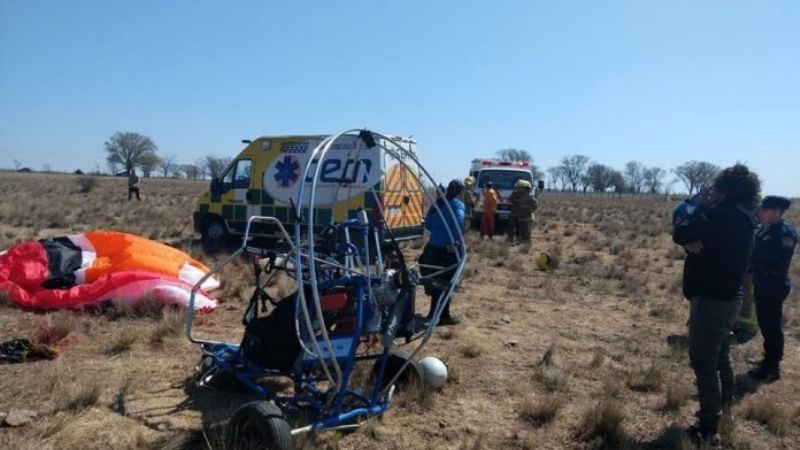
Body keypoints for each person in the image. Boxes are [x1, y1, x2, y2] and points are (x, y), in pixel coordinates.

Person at [672, 164, 760, 447]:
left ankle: (708, 428)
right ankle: (724, 402)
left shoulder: (719, 215)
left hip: (711, 300)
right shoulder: (746, 217)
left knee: (704, 361)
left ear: (726, 189)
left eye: (717, 186)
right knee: (721, 353)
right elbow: (689, 236)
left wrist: (701, 207)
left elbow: (680, 231)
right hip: (730, 298)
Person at [748, 196, 797, 382]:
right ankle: (767, 358)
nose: (761, 212)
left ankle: (772, 367)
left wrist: (755, 262)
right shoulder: (765, 229)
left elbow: (775, 259)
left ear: (777, 211)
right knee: (764, 322)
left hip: (773, 284)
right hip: (762, 282)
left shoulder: (785, 233)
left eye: (765, 210)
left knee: (772, 325)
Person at [419, 180, 465, 326]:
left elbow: (428, 224)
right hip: (448, 250)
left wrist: (439, 232)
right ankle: (437, 315)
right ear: (459, 192)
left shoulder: (437, 204)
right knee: (445, 283)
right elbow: (459, 224)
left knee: (437, 282)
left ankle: (441, 315)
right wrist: (452, 241)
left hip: (433, 248)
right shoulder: (457, 205)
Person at [506, 179, 539, 245]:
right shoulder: (516, 194)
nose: (518, 189)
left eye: (520, 187)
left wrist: (530, 210)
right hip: (519, 216)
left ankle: (527, 244)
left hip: (526, 217)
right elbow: (509, 200)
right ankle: (519, 241)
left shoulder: (529, 196)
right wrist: (515, 201)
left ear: (524, 188)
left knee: (526, 231)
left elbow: (535, 205)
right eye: (518, 187)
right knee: (518, 230)